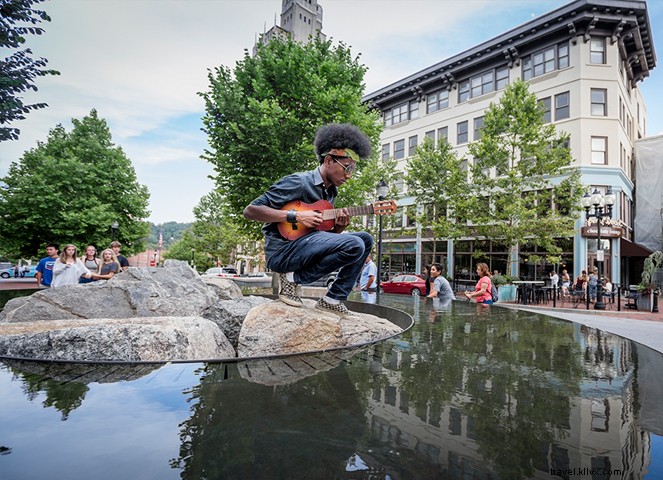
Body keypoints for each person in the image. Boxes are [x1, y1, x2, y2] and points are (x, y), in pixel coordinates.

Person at [243, 123, 373, 317]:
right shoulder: (298, 181)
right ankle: (292, 279)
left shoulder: (330, 193)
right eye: (347, 167)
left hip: (304, 248)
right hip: (282, 253)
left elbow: (317, 237)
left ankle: (332, 299)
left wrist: (337, 228)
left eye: (352, 169)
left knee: (365, 239)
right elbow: (250, 211)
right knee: (354, 243)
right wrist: (295, 215)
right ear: (329, 160)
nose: (349, 175)